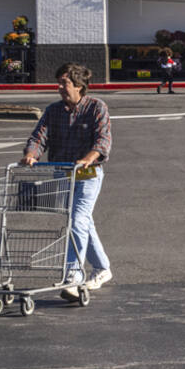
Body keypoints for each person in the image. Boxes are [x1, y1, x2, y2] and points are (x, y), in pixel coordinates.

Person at [21, 63, 112, 300]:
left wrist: (88, 159)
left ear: (79, 86)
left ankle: (73, 277)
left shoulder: (96, 108)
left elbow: (102, 141)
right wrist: (31, 154)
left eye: (65, 83)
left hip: (88, 174)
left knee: (77, 219)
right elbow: (39, 137)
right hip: (62, 172)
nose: (60, 87)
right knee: (82, 221)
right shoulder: (53, 111)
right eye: (59, 82)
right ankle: (102, 268)